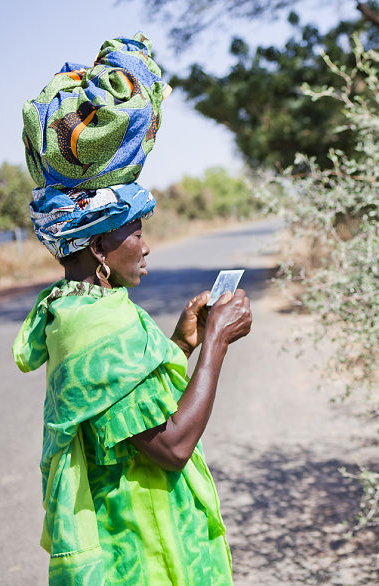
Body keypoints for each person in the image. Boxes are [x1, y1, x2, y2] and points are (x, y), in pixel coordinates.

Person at [13, 33, 252, 585]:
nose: (145, 248)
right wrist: (216, 344)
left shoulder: (75, 309)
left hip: (134, 538)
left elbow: (123, 402)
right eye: (136, 233)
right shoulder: (99, 324)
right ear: (99, 245)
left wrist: (183, 342)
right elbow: (171, 444)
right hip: (140, 552)